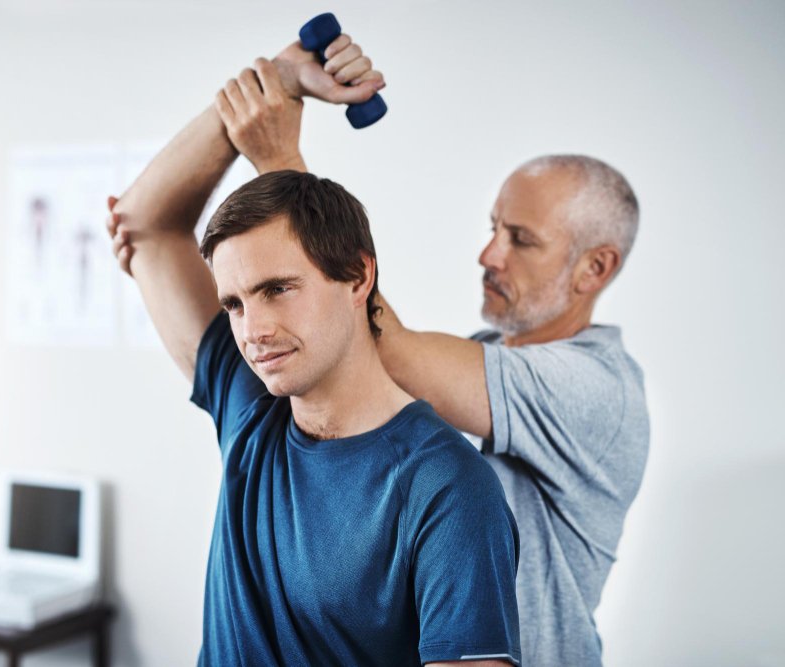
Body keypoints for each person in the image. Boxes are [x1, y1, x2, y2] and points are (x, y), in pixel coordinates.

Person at [182, 35, 651, 667]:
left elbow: (385, 344)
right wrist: (284, 76)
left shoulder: (594, 390)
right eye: (492, 229)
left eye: (520, 239)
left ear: (595, 268)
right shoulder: (493, 356)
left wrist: (283, 164)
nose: (489, 254)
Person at [106, 40, 522, 666]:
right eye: (236, 304)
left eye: (277, 289)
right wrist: (278, 79)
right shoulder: (250, 409)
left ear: (358, 278)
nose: (254, 330)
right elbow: (141, 225)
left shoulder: (447, 489)